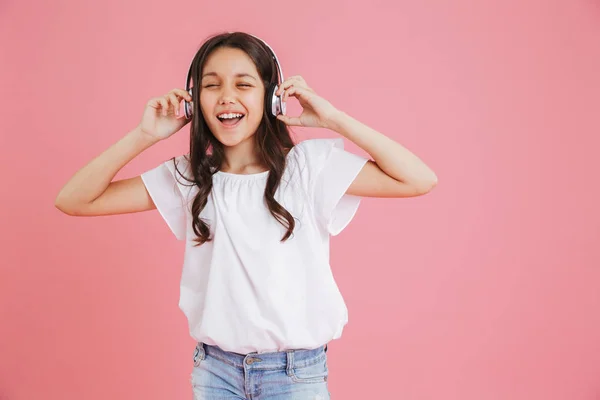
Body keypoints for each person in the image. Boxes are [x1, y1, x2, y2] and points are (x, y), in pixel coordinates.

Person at [55, 31, 438, 400]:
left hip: (295, 376)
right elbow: (74, 200)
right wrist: (144, 136)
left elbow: (419, 179)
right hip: (214, 372)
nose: (226, 97)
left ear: (273, 97)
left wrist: (335, 119)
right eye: (211, 85)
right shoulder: (188, 177)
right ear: (194, 101)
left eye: (243, 84)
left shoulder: (310, 168)